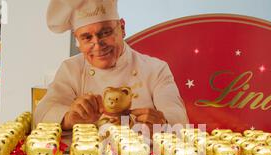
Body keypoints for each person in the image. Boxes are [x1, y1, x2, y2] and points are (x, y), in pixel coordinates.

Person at [34, 0, 189, 134]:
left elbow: (177, 115)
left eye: (105, 32)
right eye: (87, 37)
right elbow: (42, 113)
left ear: (122, 28)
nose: (98, 44)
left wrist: (164, 124)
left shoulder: (156, 69)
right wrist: (68, 118)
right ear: (78, 41)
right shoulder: (71, 69)